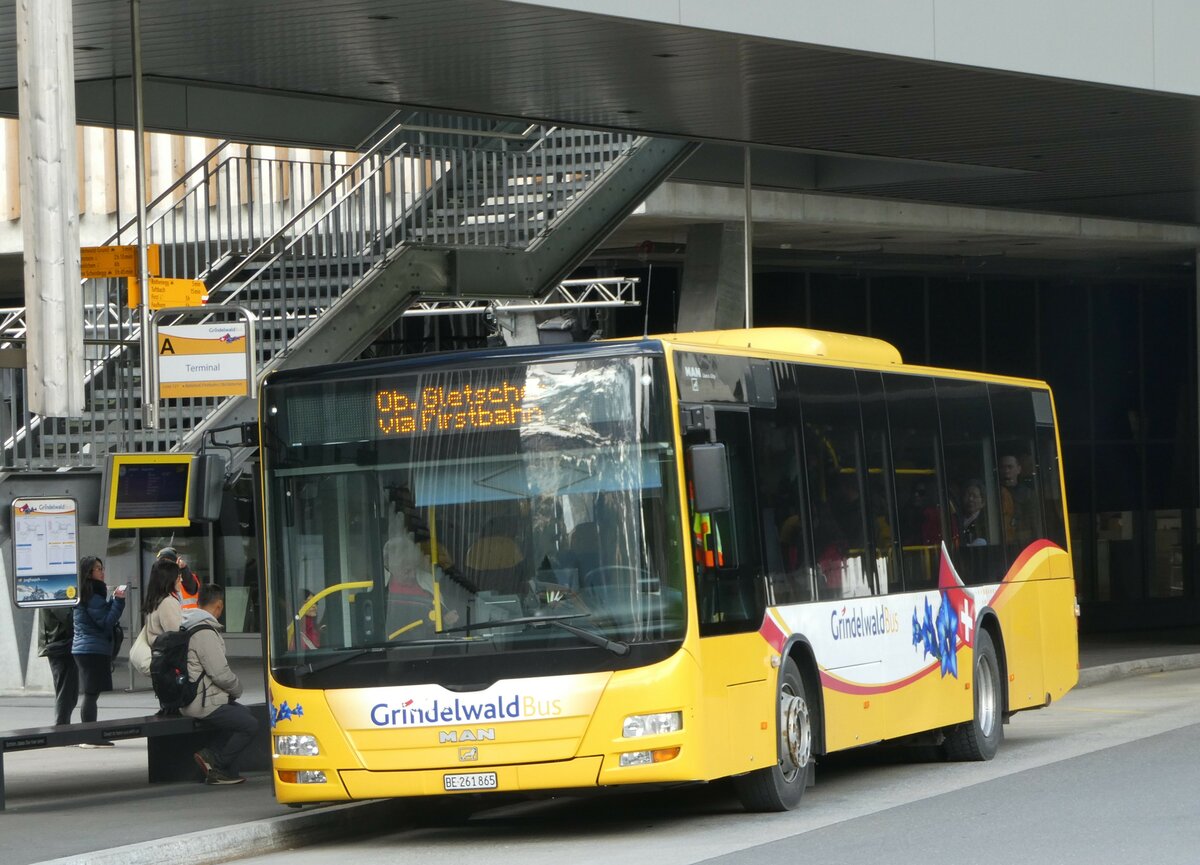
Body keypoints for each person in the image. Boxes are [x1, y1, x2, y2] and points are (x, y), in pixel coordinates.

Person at [185, 584, 259, 786]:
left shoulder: (188, 624)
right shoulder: (205, 632)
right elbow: (220, 673)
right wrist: (237, 689)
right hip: (202, 701)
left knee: (244, 715)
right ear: (219, 605)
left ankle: (215, 760)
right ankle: (216, 764)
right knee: (249, 725)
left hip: (196, 696)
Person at [71, 556, 126, 739]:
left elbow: (101, 615)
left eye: (102, 568)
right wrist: (118, 602)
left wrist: (112, 600)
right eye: (98, 569)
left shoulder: (88, 594)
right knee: (91, 693)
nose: (102, 572)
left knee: (91, 693)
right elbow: (106, 622)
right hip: (91, 649)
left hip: (86, 648)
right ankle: (90, 736)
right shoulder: (92, 595)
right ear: (89, 573)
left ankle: (89, 734)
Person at [384, 534, 461, 637]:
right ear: (390, 566)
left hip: (427, 645)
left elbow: (443, 622)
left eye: (414, 568)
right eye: (407, 571)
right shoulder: (378, 586)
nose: (413, 575)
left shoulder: (429, 581)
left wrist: (447, 622)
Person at [38, 606, 78, 726]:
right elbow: (67, 617)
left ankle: (63, 727)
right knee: (66, 692)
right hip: (59, 644)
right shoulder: (55, 596)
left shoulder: (53, 594)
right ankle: (62, 729)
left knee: (69, 693)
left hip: (58, 643)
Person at [157, 547, 199, 612]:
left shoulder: (185, 577)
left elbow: (189, 583)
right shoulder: (160, 583)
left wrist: (183, 569)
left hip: (189, 620)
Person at [959, 480, 989, 546]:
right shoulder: (956, 518)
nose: (970, 499)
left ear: (983, 502)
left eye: (974, 496)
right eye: (967, 495)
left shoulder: (986, 522)